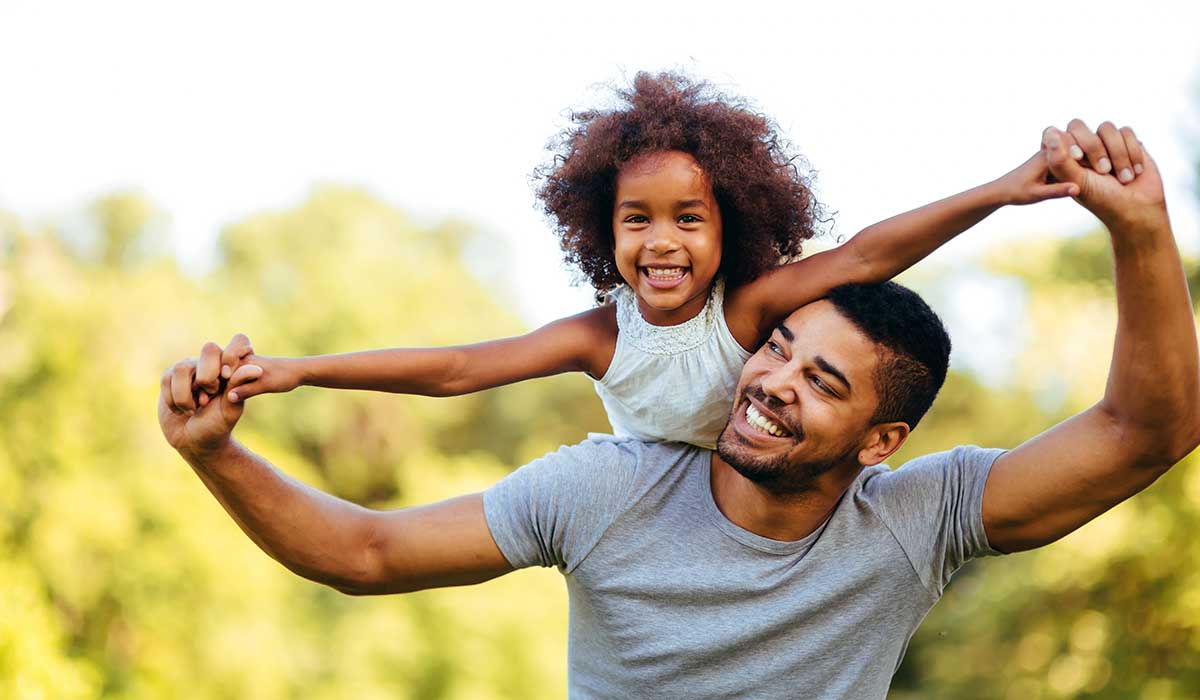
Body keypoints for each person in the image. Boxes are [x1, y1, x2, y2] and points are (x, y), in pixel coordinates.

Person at [158, 120, 1198, 698]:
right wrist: (217, 452)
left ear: (883, 441)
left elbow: (1146, 433)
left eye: (824, 382)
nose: (775, 379)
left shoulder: (911, 521)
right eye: (779, 348)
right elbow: (366, 551)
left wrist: (1141, 228)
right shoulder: (604, 486)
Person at [191, 72, 1078, 449]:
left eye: (688, 219)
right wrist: (301, 370)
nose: (661, 242)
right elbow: (458, 369)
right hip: (651, 512)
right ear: (602, 231)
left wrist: (1000, 191)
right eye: (636, 220)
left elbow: (868, 253)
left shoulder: (745, 313)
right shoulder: (599, 338)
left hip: (763, 494)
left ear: (730, 228)